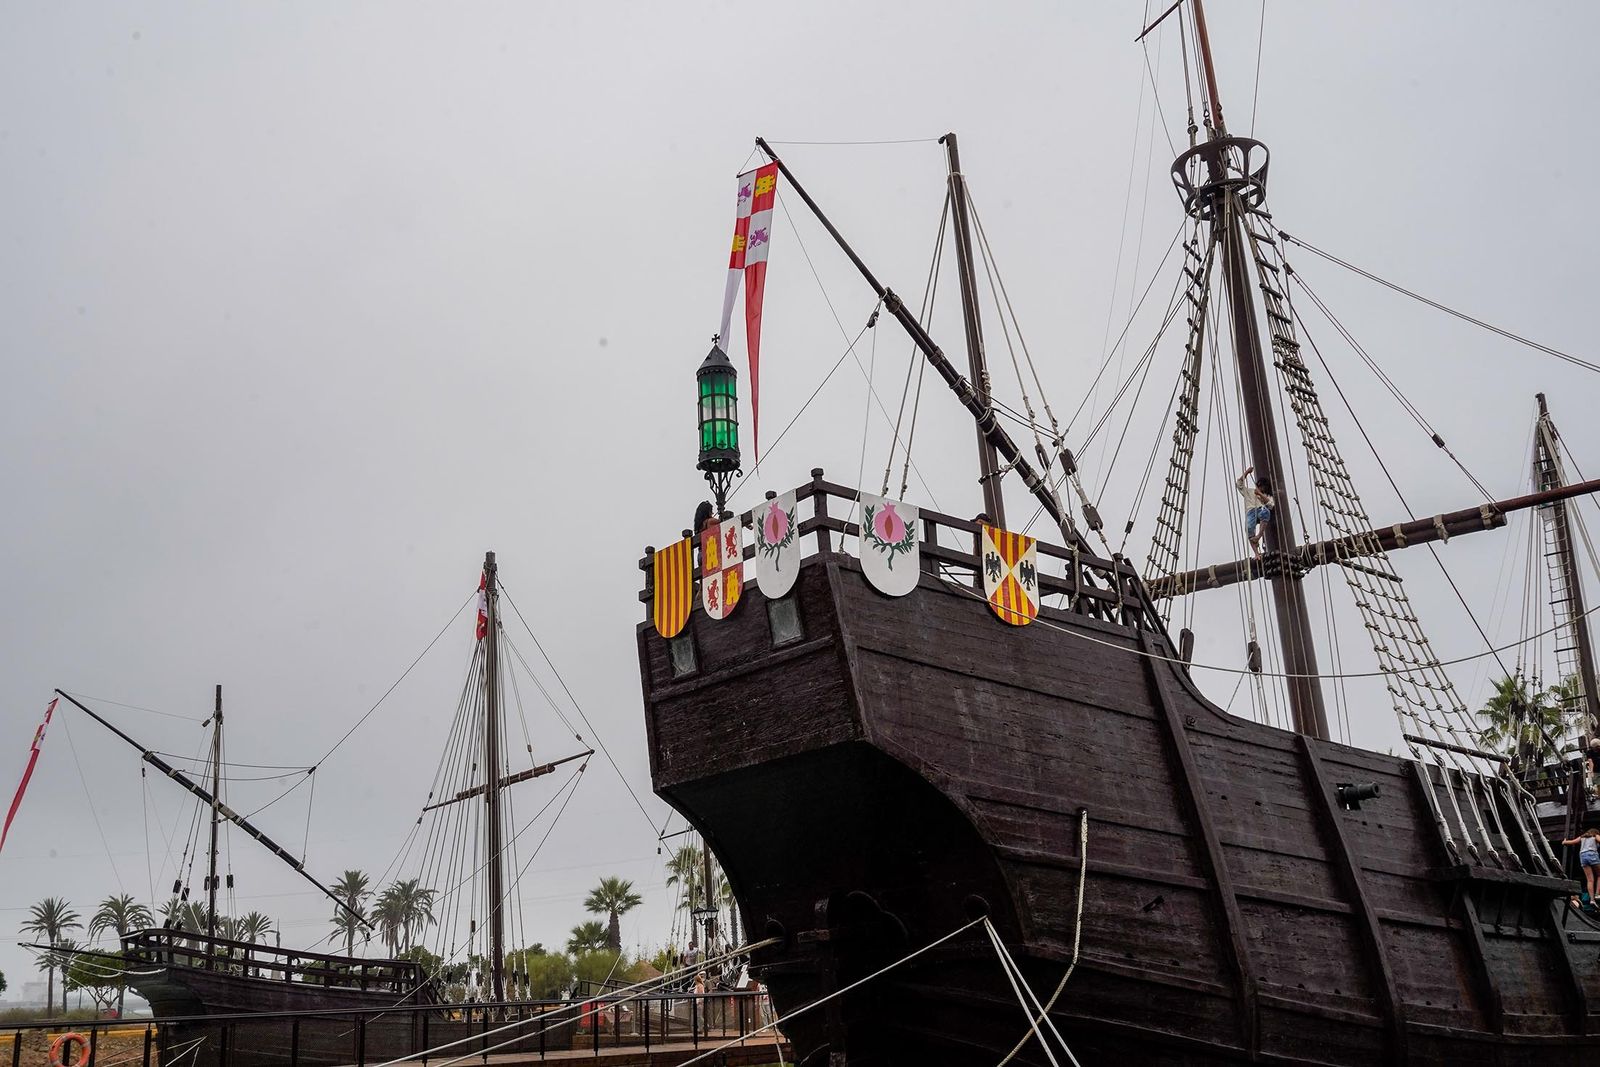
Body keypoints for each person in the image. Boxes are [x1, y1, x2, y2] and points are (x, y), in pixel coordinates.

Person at [1236, 466, 1275, 560]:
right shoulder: (1250, 491)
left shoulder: (1267, 496)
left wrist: (1260, 495)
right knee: (1249, 528)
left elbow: (1271, 505)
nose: (1261, 488)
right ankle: (1256, 554)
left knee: (1265, 512)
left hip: (1260, 509)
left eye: (1263, 487)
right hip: (1250, 511)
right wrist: (1246, 472)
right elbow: (1239, 484)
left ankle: (1259, 536)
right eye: (1260, 486)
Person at [1562, 827, 1600, 906]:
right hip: (1592, 854)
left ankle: (1592, 900)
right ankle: (1597, 894)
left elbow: (1572, 842)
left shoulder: (1582, 837)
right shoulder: (1595, 835)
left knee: (1590, 880)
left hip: (1583, 856)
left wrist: (1564, 842)